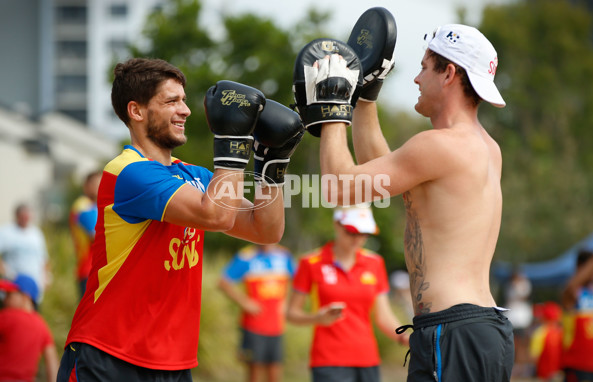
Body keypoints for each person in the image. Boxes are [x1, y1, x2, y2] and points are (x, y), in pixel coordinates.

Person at [56, 57, 304, 381]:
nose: (185, 110)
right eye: (172, 101)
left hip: (172, 361)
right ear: (137, 111)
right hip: (109, 354)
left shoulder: (195, 176)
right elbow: (215, 214)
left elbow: (265, 229)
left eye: (184, 100)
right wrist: (232, 142)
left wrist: (271, 162)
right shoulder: (127, 171)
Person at [294, 22, 514, 381]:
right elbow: (383, 179)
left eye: (424, 68)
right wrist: (365, 97)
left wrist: (334, 105)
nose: (415, 79)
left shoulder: (440, 145)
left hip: (453, 330)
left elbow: (337, 188)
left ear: (449, 74)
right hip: (479, 329)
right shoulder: (483, 147)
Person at [286, 204, 405, 382]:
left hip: (367, 359)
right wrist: (317, 318)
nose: (358, 240)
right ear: (337, 225)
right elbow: (291, 313)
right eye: (351, 232)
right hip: (328, 360)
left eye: (364, 234)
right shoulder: (311, 262)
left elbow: (384, 316)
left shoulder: (375, 263)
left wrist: (407, 338)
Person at [218, 243, 295, 382]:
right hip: (253, 325)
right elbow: (223, 282)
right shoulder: (246, 256)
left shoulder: (284, 255)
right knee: (254, 371)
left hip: (277, 325)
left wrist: (287, 302)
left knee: (275, 370)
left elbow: (297, 282)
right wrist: (244, 302)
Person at [0, 274, 59, 382]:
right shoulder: (42, 326)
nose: (4, 300)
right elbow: (52, 363)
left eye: (9, 295)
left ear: (25, 297)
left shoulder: (6, 317)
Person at [561, 248, 593, 381]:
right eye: (592, 268)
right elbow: (572, 285)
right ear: (580, 267)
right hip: (577, 365)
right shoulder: (571, 292)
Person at [0, 203, 50, 305]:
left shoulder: (36, 233)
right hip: (13, 287)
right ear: (17, 216)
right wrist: (5, 271)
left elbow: (44, 258)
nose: (25, 219)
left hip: (33, 288)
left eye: (27, 216)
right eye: (22, 216)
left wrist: (46, 277)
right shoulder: (6, 232)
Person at [69, 170, 102, 299]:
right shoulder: (82, 206)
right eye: (96, 183)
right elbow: (97, 236)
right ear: (86, 186)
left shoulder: (96, 206)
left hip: (98, 269)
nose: (100, 186)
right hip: (88, 270)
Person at [529, 302, 563, 381]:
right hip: (559, 373)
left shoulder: (539, 333)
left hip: (543, 374)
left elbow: (534, 356)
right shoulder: (562, 332)